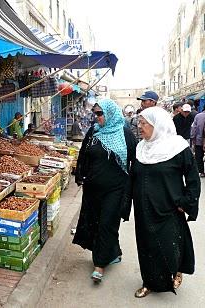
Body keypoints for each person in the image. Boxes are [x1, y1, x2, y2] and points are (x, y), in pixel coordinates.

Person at [127, 107, 200, 298]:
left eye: (144, 123)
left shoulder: (177, 147)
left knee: (170, 244)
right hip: (144, 208)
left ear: (157, 125)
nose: (140, 127)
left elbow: (193, 178)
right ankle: (149, 282)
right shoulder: (141, 147)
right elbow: (133, 176)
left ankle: (176, 270)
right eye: (139, 123)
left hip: (169, 207)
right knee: (146, 245)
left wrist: (186, 201)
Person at [73, 99, 137, 283]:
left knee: (106, 223)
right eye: (95, 113)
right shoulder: (94, 132)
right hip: (93, 189)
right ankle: (114, 252)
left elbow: (136, 160)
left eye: (100, 114)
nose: (97, 117)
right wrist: (80, 174)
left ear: (110, 113)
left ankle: (99, 265)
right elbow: (84, 154)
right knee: (95, 221)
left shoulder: (125, 134)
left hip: (116, 190)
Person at [190, 108, 205, 177]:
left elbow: (194, 128)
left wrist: (193, 138)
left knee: (199, 156)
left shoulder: (198, 116)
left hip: (199, 141)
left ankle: (201, 172)